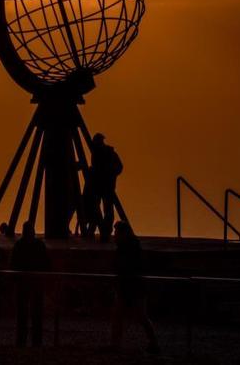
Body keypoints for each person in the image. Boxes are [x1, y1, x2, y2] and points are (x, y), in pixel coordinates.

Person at [110, 221, 159, 354]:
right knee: (123, 315)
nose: (114, 236)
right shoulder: (130, 246)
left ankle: (117, 344)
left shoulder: (128, 248)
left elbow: (126, 266)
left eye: (116, 233)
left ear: (123, 233)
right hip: (131, 285)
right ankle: (152, 342)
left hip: (133, 285)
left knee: (138, 316)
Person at [11, 221, 50, 347]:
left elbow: (13, 263)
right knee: (36, 314)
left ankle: (21, 341)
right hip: (36, 282)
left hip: (23, 283)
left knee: (22, 314)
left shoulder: (19, 245)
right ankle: (36, 341)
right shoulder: (39, 245)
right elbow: (46, 263)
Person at [88, 133, 123, 242]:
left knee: (101, 209)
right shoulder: (105, 153)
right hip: (104, 186)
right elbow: (119, 167)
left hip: (103, 186)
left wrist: (110, 174)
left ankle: (102, 231)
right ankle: (100, 231)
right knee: (100, 209)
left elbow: (119, 167)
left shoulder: (105, 153)